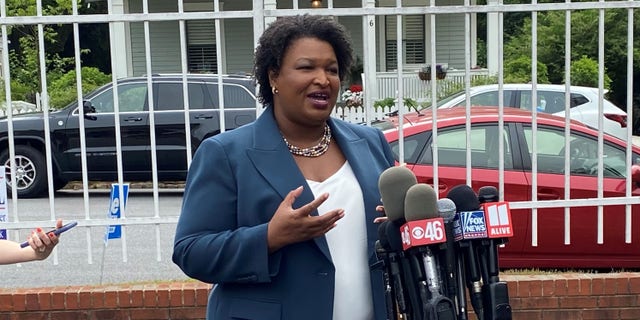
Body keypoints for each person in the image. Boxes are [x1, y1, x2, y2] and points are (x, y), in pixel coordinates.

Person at [172, 14, 395, 320]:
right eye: (306, 67)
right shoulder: (225, 154)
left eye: (331, 69)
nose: (323, 79)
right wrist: (269, 237)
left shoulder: (371, 143)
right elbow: (191, 251)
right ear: (274, 76)